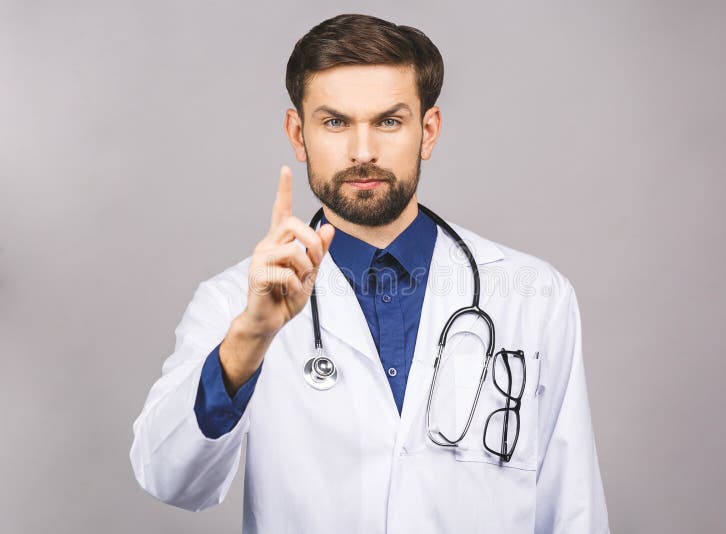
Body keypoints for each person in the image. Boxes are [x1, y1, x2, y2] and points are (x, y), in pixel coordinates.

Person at [130, 13, 610, 534]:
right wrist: (249, 340)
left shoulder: (534, 296)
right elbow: (168, 479)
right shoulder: (232, 303)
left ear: (428, 131)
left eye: (388, 121)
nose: (363, 152)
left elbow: (573, 508)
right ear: (298, 133)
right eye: (335, 122)